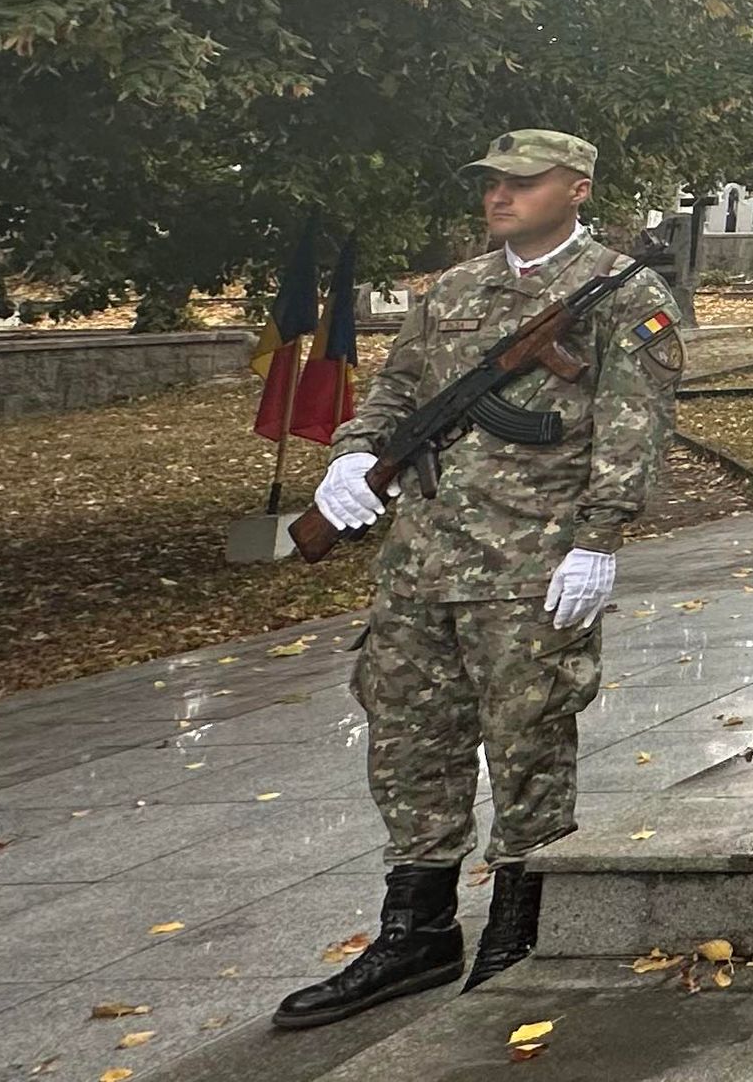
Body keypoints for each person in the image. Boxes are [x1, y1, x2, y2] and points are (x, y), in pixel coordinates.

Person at [276, 129, 684, 1029]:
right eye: (491, 184)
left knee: (528, 739)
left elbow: (632, 426)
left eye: (521, 183)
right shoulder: (452, 290)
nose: (499, 197)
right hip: (420, 563)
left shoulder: (625, 294)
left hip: (532, 565)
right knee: (410, 743)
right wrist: (350, 458)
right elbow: (392, 398)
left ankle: (519, 926)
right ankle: (417, 930)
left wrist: (600, 538)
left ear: (575, 189)